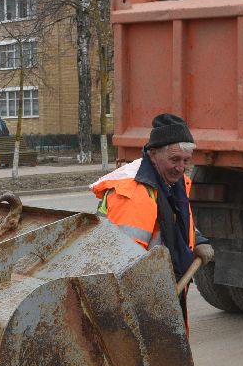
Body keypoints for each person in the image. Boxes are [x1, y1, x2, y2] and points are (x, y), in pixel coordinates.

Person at [91, 113, 214, 298]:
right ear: (154, 154)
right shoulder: (133, 193)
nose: (181, 167)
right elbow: (123, 261)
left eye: (186, 160)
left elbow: (175, 221)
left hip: (162, 287)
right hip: (138, 295)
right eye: (175, 159)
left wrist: (197, 240)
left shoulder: (172, 183)